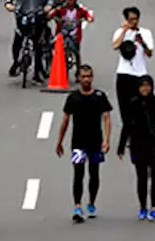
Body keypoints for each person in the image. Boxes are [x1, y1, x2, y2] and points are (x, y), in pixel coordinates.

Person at [55, 65, 113, 222]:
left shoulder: (100, 96)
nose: (86, 79)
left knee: (94, 174)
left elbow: (107, 118)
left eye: (89, 76)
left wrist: (107, 140)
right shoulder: (73, 98)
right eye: (83, 76)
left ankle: (92, 203)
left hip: (95, 142)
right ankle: (77, 205)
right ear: (79, 79)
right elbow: (65, 120)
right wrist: (59, 141)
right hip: (78, 143)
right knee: (78, 174)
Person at [123, 74, 155, 222]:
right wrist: (121, 146)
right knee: (142, 177)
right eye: (142, 86)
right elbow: (127, 126)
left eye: (148, 86)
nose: (145, 89)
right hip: (138, 145)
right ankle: (142, 207)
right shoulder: (132, 104)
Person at [5, 0, 55, 80]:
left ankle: (37, 72)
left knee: (38, 43)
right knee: (18, 38)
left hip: (38, 14)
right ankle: (16, 61)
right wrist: (9, 3)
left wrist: (49, 5)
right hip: (22, 13)